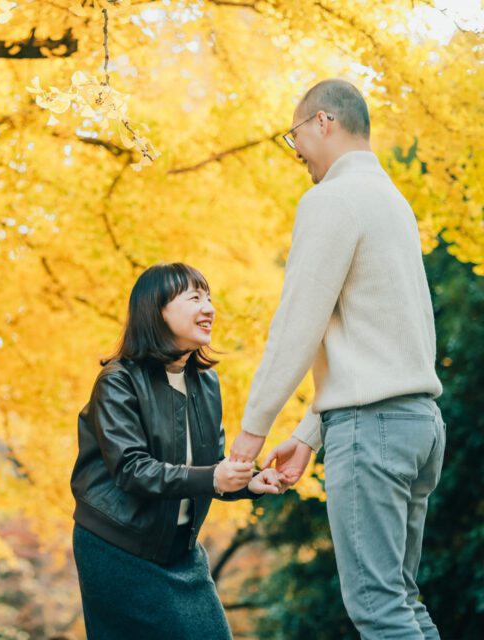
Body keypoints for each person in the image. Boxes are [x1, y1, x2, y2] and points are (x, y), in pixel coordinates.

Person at [229, 79, 446, 638]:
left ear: (322, 122)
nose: (295, 151)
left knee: (378, 609)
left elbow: (296, 327)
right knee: (402, 604)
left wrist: (248, 441)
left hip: (372, 431)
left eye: (293, 135)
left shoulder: (330, 200)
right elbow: (378, 336)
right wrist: (308, 433)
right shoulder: (392, 204)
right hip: (417, 425)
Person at [71, 262, 282, 640]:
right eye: (195, 298)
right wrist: (214, 476)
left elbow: (210, 470)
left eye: (210, 298)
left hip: (180, 548)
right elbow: (132, 470)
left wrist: (250, 482)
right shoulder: (118, 381)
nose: (209, 308)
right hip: (117, 547)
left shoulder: (206, 382)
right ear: (158, 311)